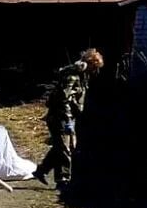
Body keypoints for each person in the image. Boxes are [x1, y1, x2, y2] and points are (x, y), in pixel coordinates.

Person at [32, 48, 102, 189]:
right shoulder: (73, 77)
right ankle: (62, 180)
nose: (96, 71)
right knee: (65, 148)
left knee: (62, 146)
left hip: (67, 117)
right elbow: (64, 99)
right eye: (95, 67)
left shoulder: (82, 77)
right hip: (60, 116)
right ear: (91, 64)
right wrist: (68, 120)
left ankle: (41, 171)